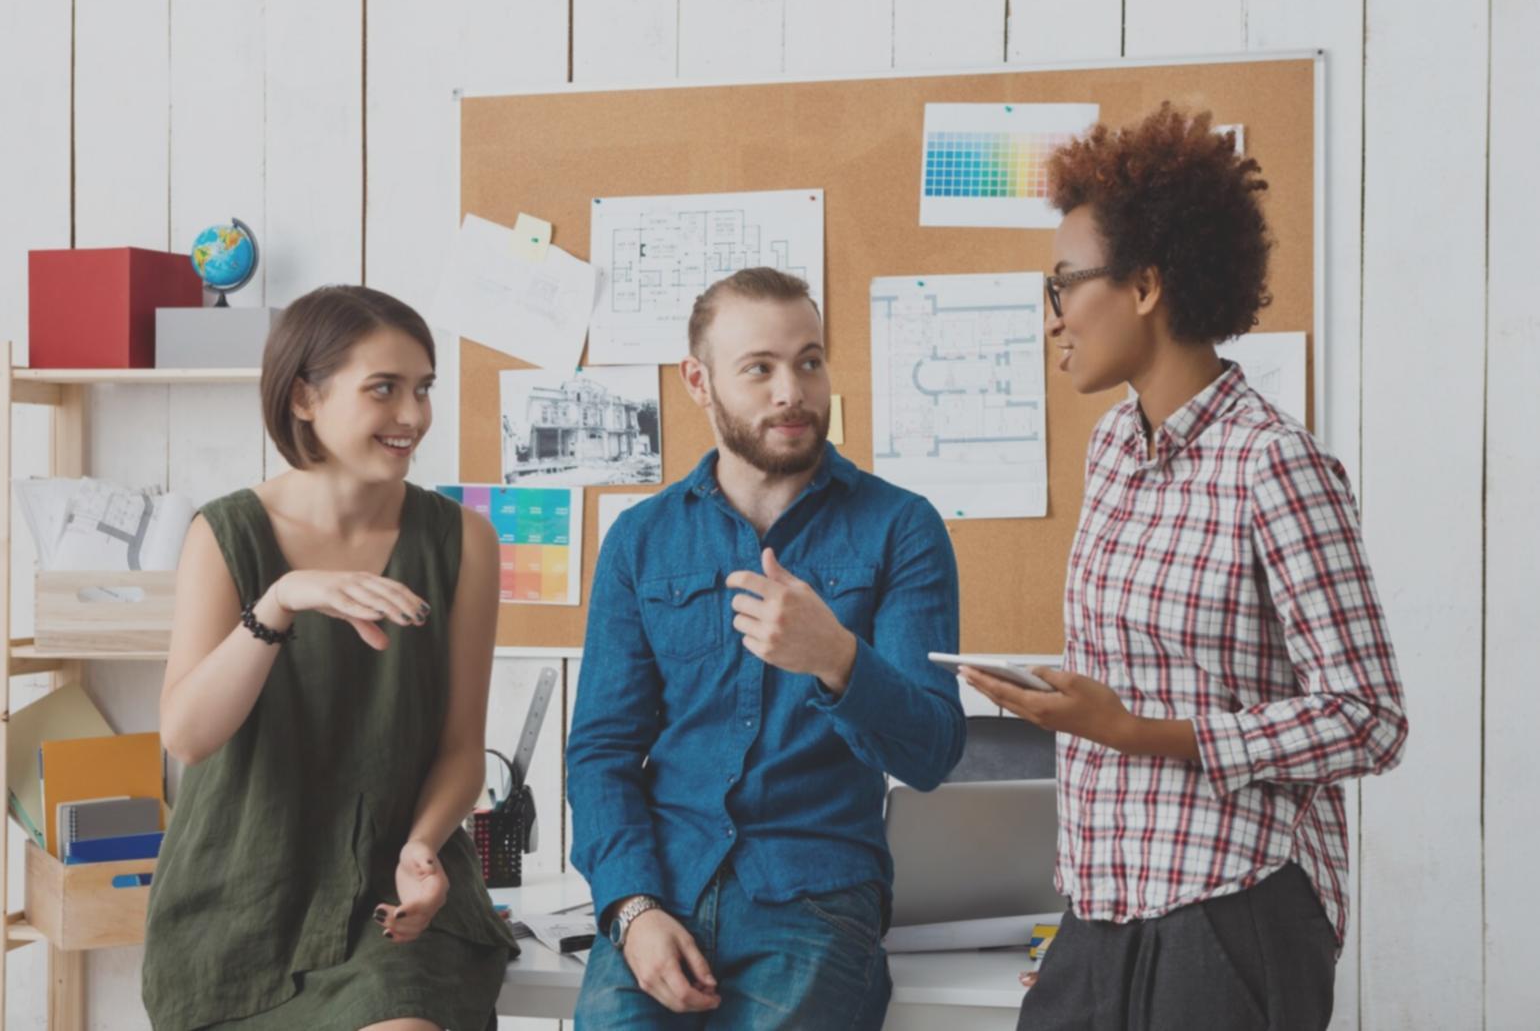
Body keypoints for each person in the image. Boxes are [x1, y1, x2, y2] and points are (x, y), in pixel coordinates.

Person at [959, 104, 1410, 1030]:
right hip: (1102, 904)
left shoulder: (1272, 462)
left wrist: (1142, 733)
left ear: (1147, 285)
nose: (1051, 317)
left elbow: (1369, 717)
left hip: (1232, 903)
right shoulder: (1113, 448)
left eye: (1062, 285)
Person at [566, 267, 966, 1029]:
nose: (793, 390)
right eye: (760, 368)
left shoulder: (902, 527)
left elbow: (933, 751)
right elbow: (601, 752)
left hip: (813, 896)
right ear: (698, 380)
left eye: (809, 361)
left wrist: (837, 658)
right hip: (662, 891)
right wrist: (631, 906)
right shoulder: (639, 541)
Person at [142, 285, 516, 1031]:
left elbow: (460, 749)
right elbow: (187, 734)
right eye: (384, 388)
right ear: (305, 396)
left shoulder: (462, 541)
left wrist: (421, 845)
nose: (413, 416)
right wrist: (279, 601)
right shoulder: (224, 535)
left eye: (423, 388)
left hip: (394, 894)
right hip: (241, 897)